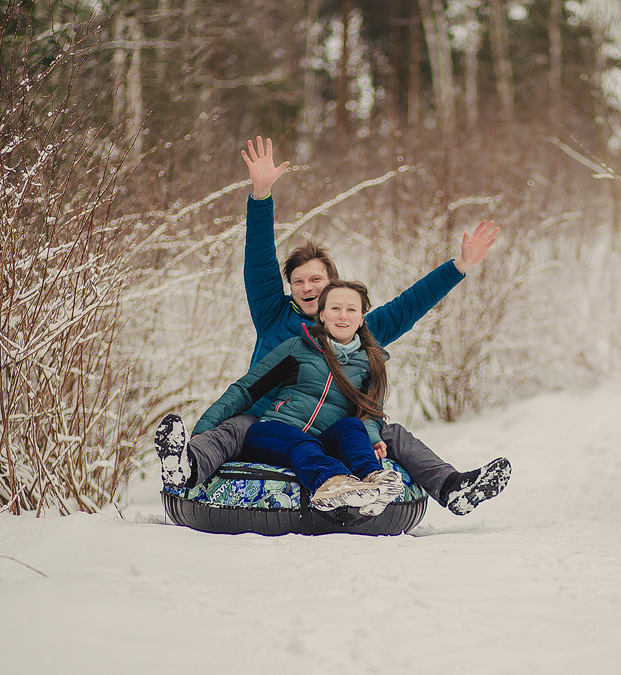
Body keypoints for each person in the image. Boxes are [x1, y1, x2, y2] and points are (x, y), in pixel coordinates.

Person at [156, 136, 510, 516]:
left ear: (334, 288)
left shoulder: (357, 330)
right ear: (291, 288)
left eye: (317, 280)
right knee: (233, 428)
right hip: (269, 421)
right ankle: (186, 467)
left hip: (332, 430)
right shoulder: (275, 317)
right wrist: (261, 194)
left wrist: (459, 265)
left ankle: (451, 487)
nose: (308, 287)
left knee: (389, 433)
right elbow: (258, 264)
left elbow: (409, 304)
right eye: (299, 281)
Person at [158, 281, 406, 516]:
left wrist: (372, 438)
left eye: (351, 309)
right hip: (272, 434)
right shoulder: (297, 347)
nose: (343, 316)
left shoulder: (370, 364)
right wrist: (205, 426)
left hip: (320, 442)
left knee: (351, 426)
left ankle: (375, 480)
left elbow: (370, 414)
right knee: (298, 442)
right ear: (322, 314)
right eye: (335, 308)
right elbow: (246, 389)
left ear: (362, 318)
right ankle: (332, 482)